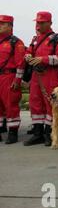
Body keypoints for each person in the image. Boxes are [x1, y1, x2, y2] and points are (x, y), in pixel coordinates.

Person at [24, 11, 58, 147]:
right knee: (35, 102)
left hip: (51, 75)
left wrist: (43, 59)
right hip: (37, 75)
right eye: (37, 22)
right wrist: (28, 57)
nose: (38, 25)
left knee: (50, 104)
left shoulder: (57, 39)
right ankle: (37, 134)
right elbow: (28, 51)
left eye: (42, 23)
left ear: (50, 23)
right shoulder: (35, 39)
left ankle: (49, 134)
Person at [0, 15, 25, 144]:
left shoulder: (16, 42)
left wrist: (17, 80)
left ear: (10, 26)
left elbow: (20, 63)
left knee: (11, 105)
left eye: (2, 23)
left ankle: (12, 132)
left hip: (9, 77)